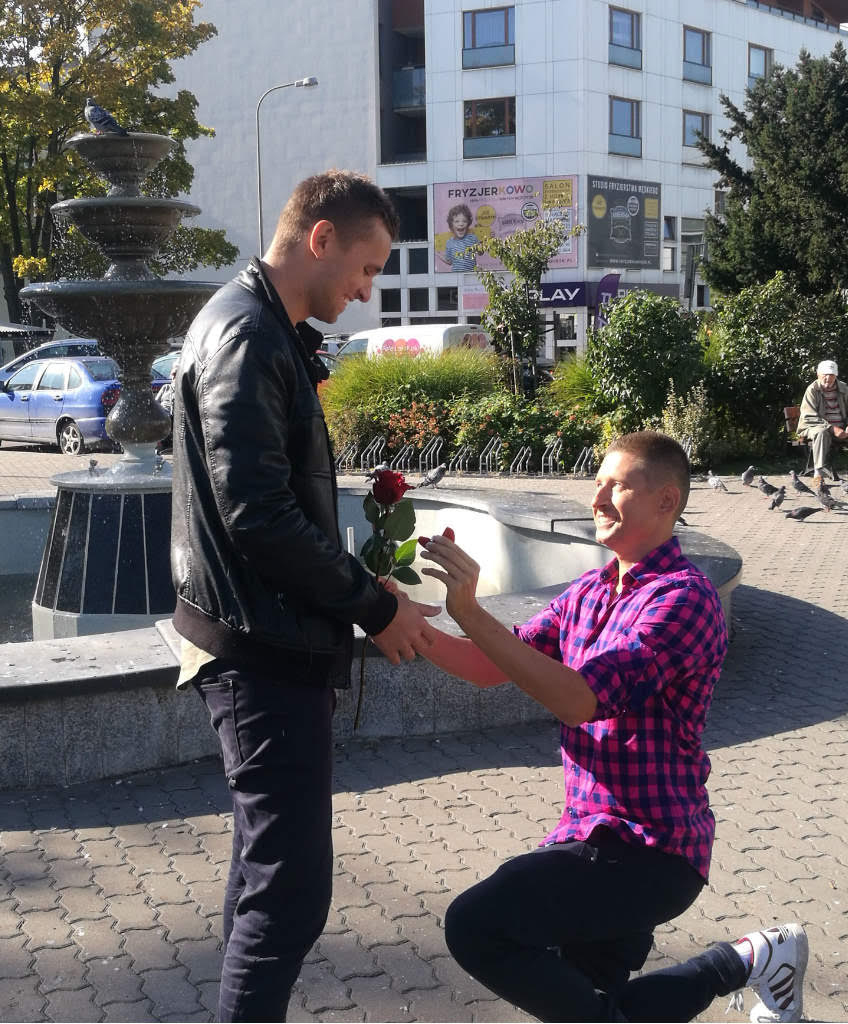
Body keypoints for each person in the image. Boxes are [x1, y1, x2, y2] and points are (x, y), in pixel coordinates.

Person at [416, 431, 808, 1023]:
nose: (597, 498)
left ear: (666, 502)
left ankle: (747, 961)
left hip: (650, 853)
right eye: (596, 484)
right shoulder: (590, 592)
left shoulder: (685, 600)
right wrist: (386, 616)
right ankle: (752, 957)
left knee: (477, 925)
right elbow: (486, 667)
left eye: (617, 485)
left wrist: (469, 610)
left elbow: (580, 700)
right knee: (603, 1006)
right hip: (590, 837)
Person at [169, 170, 440, 1022]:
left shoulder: (263, 326)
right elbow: (258, 514)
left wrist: (358, 580)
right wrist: (374, 605)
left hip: (263, 641)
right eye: (366, 268)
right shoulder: (249, 335)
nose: (367, 291)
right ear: (320, 239)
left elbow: (268, 501)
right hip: (262, 655)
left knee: (265, 876)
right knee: (290, 895)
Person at [796, 359, 848, 485]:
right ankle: (818, 474)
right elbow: (809, 416)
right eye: (824, 376)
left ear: (835, 376)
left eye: (831, 377)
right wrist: (832, 428)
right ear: (818, 375)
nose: (827, 380)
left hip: (841, 428)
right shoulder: (812, 389)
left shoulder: (844, 388)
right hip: (813, 426)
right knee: (821, 433)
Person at [440, 203, 479, 271]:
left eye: (464, 221)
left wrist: (488, 241)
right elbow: (449, 262)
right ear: (451, 225)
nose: (461, 224)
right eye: (457, 221)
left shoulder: (473, 238)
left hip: (470, 275)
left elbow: (480, 252)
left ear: (468, 223)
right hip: (456, 276)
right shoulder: (449, 242)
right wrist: (438, 255)